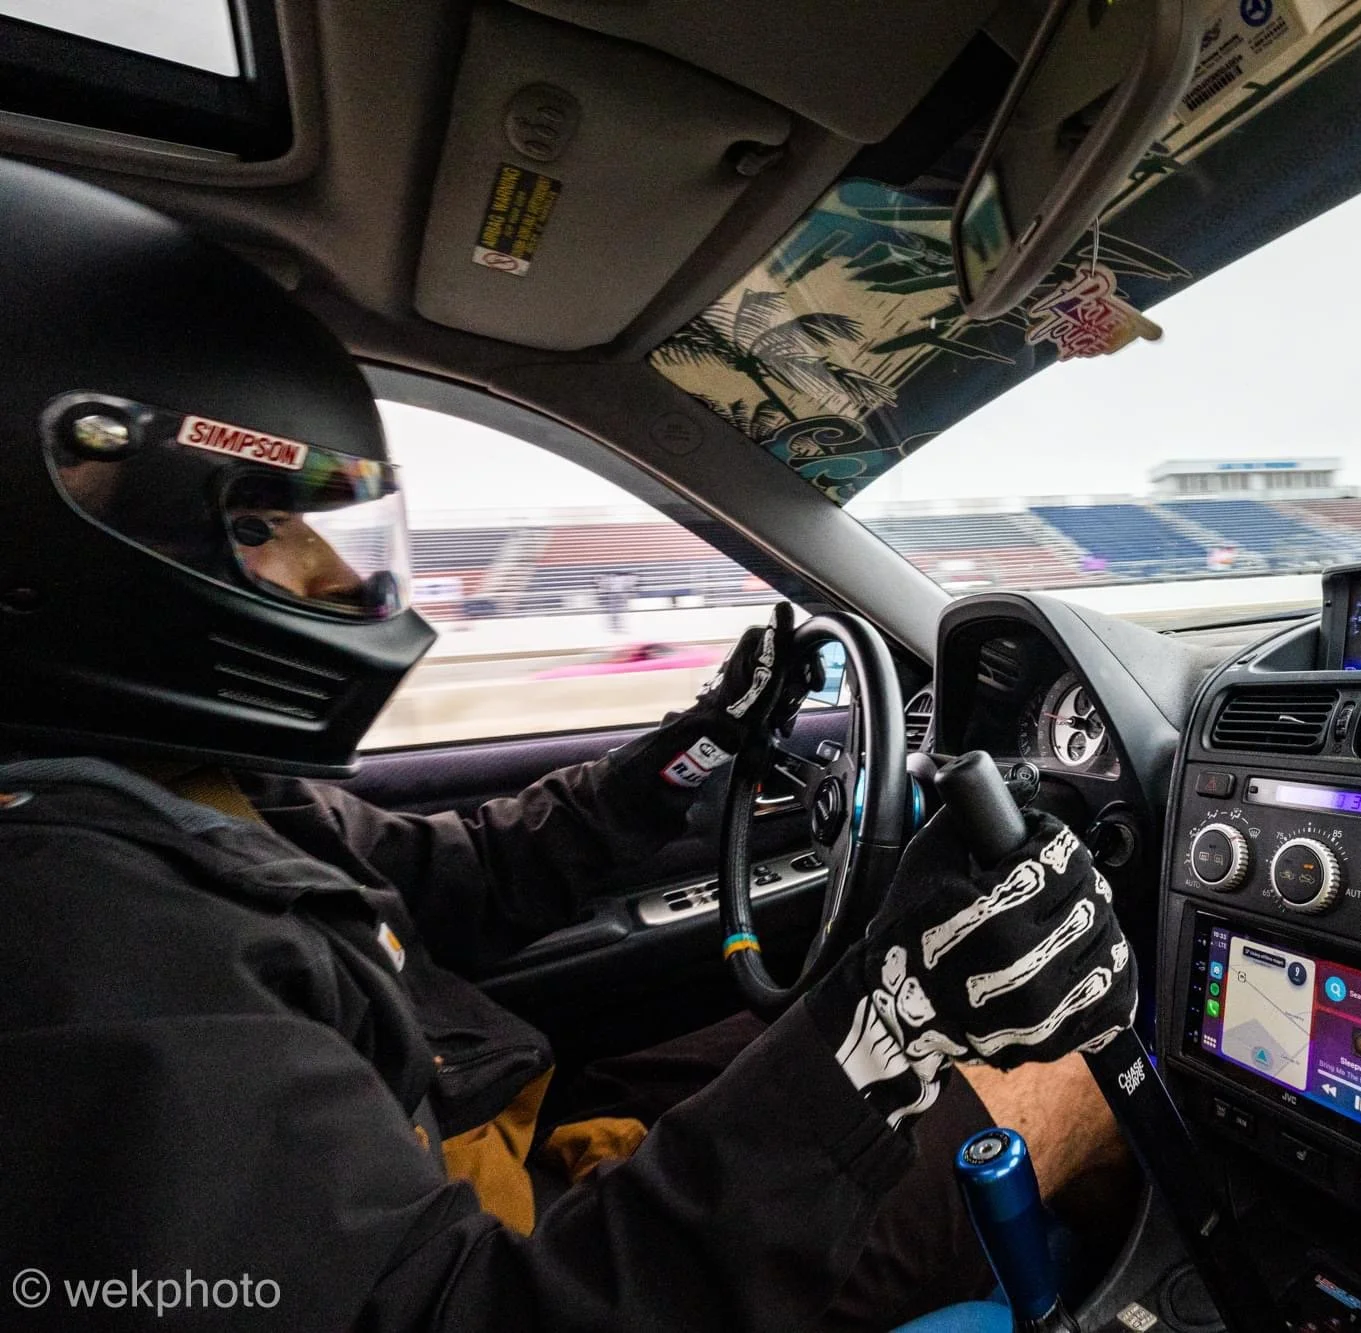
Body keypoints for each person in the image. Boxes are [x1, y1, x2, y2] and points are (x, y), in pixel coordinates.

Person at [0, 160, 1136, 1330]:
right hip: (527, 1251)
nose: (332, 576)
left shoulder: (184, 791)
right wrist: (880, 1029)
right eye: (260, 525)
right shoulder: (81, 950)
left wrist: (697, 745)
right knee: (1076, 1071)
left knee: (775, 1036)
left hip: (496, 1147)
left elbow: (463, 878)